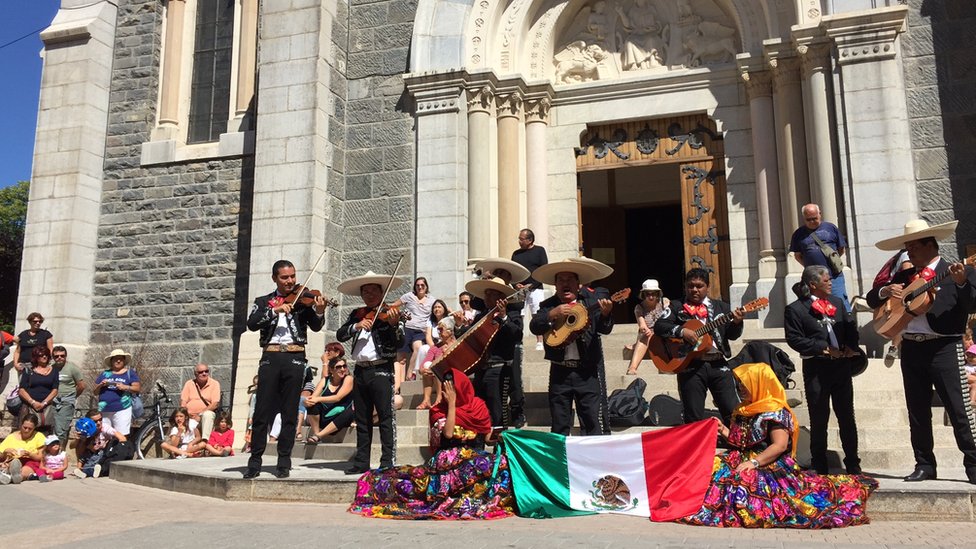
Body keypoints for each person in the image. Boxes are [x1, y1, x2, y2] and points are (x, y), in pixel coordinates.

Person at [679, 362, 877, 528]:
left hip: (770, 464)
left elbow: (779, 446)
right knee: (712, 468)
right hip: (744, 458)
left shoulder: (773, 410)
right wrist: (723, 430)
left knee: (744, 482)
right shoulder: (744, 409)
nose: (740, 388)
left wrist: (754, 463)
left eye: (744, 383)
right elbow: (741, 442)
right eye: (739, 383)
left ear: (758, 383)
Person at [867, 218, 976, 483]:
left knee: (959, 408)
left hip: (945, 347)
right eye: (907, 247)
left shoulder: (957, 271)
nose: (909, 252)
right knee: (917, 410)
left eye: (913, 246)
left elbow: (972, 303)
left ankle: (973, 465)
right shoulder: (904, 276)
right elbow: (871, 298)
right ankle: (925, 464)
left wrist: (961, 283)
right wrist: (885, 290)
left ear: (930, 245)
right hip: (912, 348)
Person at [348, 366, 514, 520]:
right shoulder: (438, 410)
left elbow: (485, 437)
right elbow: (448, 434)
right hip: (448, 463)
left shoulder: (477, 406)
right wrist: (452, 404)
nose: (447, 392)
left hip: (474, 459)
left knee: (501, 464)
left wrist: (500, 436)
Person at [244, 259, 329, 479]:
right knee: (262, 410)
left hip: (295, 356)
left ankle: (284, 461)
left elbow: (316, 325)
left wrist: (319, 311)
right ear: (275, 278)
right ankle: (255, 461)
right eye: (285, 277)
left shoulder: (303, 300)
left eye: (292, 276)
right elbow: (252, 323)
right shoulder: (264, 301)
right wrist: (276, 311)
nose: (290, 281)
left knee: (291, 411)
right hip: (271, 356)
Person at [785, 265, 862, 475]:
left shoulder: (836, 302)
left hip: (841, 368)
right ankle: (819, 463)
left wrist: (850, 346)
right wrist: (823, 349)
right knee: (819, 417)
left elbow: (849, 326)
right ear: (813, 285)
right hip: (817, 369)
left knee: (847, 415)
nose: (830, 283)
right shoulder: (796, 309)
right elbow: (794, 338)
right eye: (826, 280)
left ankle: (853, 462)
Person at [529, 259, 614, 436]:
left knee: (591, 423)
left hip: (586, 372)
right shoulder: (548, 306)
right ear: (555, 284)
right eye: (561, 280)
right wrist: (553, 314)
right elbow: (534, 326)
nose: (565, 283)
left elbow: (605, 329)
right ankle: (560, 461)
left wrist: (606, 315)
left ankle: (592, 461)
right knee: (559, 425)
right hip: (560, 373)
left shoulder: (590, 302)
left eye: (569, 280)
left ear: (578, 284)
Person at [337, 270, 406, 475]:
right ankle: (361, 462)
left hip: (381, 369)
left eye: (373, 291)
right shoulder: (357, 314)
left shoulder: (390, 313)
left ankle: (387, 461)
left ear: (381, 292)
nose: (369, 295)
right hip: (360, 370)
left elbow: (400, 342)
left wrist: (394, 325)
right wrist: (356, 326)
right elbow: (341, 334)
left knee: (385, 417)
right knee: (362, 418)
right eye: (365, 291)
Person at [654, 268, 744, 424]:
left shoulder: (721, 308)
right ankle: (696, 447)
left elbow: (732, 335)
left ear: (707, 287)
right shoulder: (676, 306)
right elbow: (660, 326)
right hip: (690, 365)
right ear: (685, 287)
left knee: (732, 411)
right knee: (693, 414)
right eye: (690, 286)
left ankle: (739, 445)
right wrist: (682, 331)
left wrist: (737, 322)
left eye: (699, 286)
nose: (694, 289)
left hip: (718, 364)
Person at [461, 276, 523, 428]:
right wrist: (458, 327)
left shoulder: (512, 314)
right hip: (482, 369)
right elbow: (467, 337)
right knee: (479, 411)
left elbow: (517, 334)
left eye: (491, 293)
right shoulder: (481, 316)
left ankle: (500, 449)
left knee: (498, 412)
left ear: (500, 297)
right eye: (486, 293)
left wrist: (503, 317)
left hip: (499, 368)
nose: (486, 297)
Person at [789, 203, 850, 311]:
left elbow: (841, 249)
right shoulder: (798, 234)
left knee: (840, 305)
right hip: (813, 280)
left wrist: (832, 262)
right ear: (804, 218)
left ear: (820, 214)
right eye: (809, 219)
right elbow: (797, 256)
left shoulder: (831, 228)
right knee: (817, 308)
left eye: (814, 218)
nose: (812, 222)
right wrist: (812, 268)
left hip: (834, 276)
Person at [391, 277, 436, 385]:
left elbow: (441, 307)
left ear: (426, 287)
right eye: (418, 285)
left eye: (422, 285)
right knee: (401, 358)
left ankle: (409, 375)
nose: (420, 287)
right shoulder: (409, 296)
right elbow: (394, 306)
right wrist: (399, 315)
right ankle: (399, 384)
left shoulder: (431, 300)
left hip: (421, 330)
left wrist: (453, 311)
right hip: (407, 328)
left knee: (418, 348)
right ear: (415, 287)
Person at [511, 229, 549, 351]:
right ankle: (518, 340)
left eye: (521, 239)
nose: (519, 241)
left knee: (537, 314)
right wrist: (516, 285)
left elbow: (544, 270)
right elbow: (512, 272)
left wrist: (531, 285)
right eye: (519, 238)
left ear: (530, 240)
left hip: (535, 289)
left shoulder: (540, 251)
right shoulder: (516, 254)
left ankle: (539, 341)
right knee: (518, 315)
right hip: (519, 291)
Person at [626, 278, 670, 375]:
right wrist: (646, 330)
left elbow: (670, 319)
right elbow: (642, 325)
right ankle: (633, 367)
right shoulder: (639, 308)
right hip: (648, 335)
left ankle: (666, 365)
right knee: (645, 335)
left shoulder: (664, 302)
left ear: (658, 293)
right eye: (647, 294)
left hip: (663, 333)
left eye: (653, 293)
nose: (651, 296)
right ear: (643, 294)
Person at [305, 358, 355, 443]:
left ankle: (318, 436)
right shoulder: (325, 380)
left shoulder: (349, 379)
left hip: (340, 418)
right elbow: (313, 397)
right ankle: (316, 434)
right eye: (338, 367)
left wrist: (317, 399)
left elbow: (337, 397)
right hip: (325, 416)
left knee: (350, 412)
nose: (342, 369)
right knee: (312, 404)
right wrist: (308, 401)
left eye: (344, 366)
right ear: (331, 370)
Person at [95, 349, 141, 436]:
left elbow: (137, 388)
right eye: (116, 359)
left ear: (124, 361)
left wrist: (125, 387)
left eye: (121, 359)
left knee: (121, 434)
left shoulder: (130, 373)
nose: (118, 361)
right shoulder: (104, 374)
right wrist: (101, 385)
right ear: (111, 361)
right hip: (105, 410)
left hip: (122, 409)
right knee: (104, 434)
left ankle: (119, 449)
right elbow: (95, 391)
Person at [415, 298, 450, 401]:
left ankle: (437, 395)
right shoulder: (430, 321)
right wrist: (434, 349)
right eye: (435, 307)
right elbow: (428, 337)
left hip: (446, 347)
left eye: (439, 307)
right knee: (423, 349)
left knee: (436, 362)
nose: (437, 309)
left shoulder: (449, 320)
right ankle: (422, 372)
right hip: (434, 345)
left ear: (444, 309)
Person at [72, 410, 125, 478]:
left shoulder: (105, 428)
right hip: (89, 455)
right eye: (95, 421)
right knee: (80, 443)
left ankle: (92, 471)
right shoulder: (85, 428)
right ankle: (83, 471)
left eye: (100, 420)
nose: (99, 423)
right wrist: (77, 439)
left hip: (103, 454)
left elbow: (122, 438)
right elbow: (72, 446)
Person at [17, 346, 59, 430]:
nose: (44, 357)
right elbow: (22, 390)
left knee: (45, 433)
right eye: (41, 355)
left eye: (46, 355)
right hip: (29, 407)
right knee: (27, 430)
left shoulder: (54, 371)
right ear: (36, 357)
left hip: (46, 408)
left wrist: (44, 403)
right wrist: (32, 402)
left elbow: (55, 389)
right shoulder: (28, 370)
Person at [51, 346, 85, 446]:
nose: (59, 358)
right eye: (56, 356)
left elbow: (81, 386)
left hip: (66, 401)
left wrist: (72, 397)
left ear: (66, 356)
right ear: (53, 357)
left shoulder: (72, 368)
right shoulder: (52, 369)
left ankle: (59, 453)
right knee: (53, 427)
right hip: (53, 401)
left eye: (62, 356)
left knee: (61, 430)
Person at [0, 413, 46, 484]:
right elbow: (1, 456)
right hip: (13, 460)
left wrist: (30, 454)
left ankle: (12, 477)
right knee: (11, 463)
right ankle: (10, 475)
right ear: (21, 425)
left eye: (30, 429)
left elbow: (41, 457)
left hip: (31, 461)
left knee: (27, 468)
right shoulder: (11, 437)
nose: (27, 430)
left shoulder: (39, 436)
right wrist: (6, 452)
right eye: (25, 427)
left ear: (34, 428)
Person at [180, 363, 221, 440]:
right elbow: (183, 401)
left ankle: (205, 442)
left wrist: (199, 415)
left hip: (204, 415)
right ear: (195, 374)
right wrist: (186, 415)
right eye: (201, 372)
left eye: (206, 371)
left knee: (208, 414)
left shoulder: (214, 384)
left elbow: (215, 403)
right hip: (189, 416)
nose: (204, 373)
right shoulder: (189, 384)